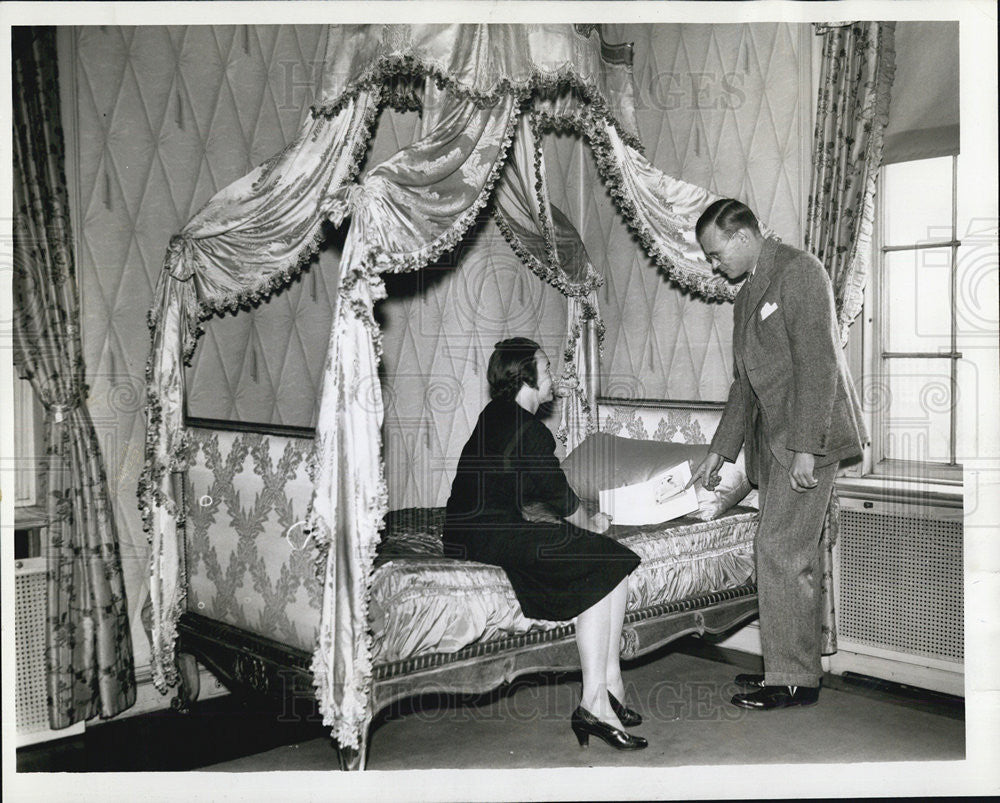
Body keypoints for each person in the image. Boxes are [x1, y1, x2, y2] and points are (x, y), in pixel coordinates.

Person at [689, 199, 866, 710]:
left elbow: (819, 367)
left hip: (805, 440)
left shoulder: (800, 272)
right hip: (773, 440)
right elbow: (744, 384)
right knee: (780, 551)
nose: (714, 265)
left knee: (781, 552)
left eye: (716, 253)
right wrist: (720, 452)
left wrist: (807, 449)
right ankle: (786, 669)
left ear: (743, 236)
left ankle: (793, 681)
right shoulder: (747, 294)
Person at [443, 337, 647, 750]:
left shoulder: (497, 414)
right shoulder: (528, 429)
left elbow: (530, 487)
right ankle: (594, 702)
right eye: (548, 368)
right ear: (527, 377)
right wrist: (594, 520)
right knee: (603, 558)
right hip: (488, 534)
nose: (554, 376)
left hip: (469, 532)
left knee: (616, 559)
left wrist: (577, 523)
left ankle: (610, 686)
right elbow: (563, 498)